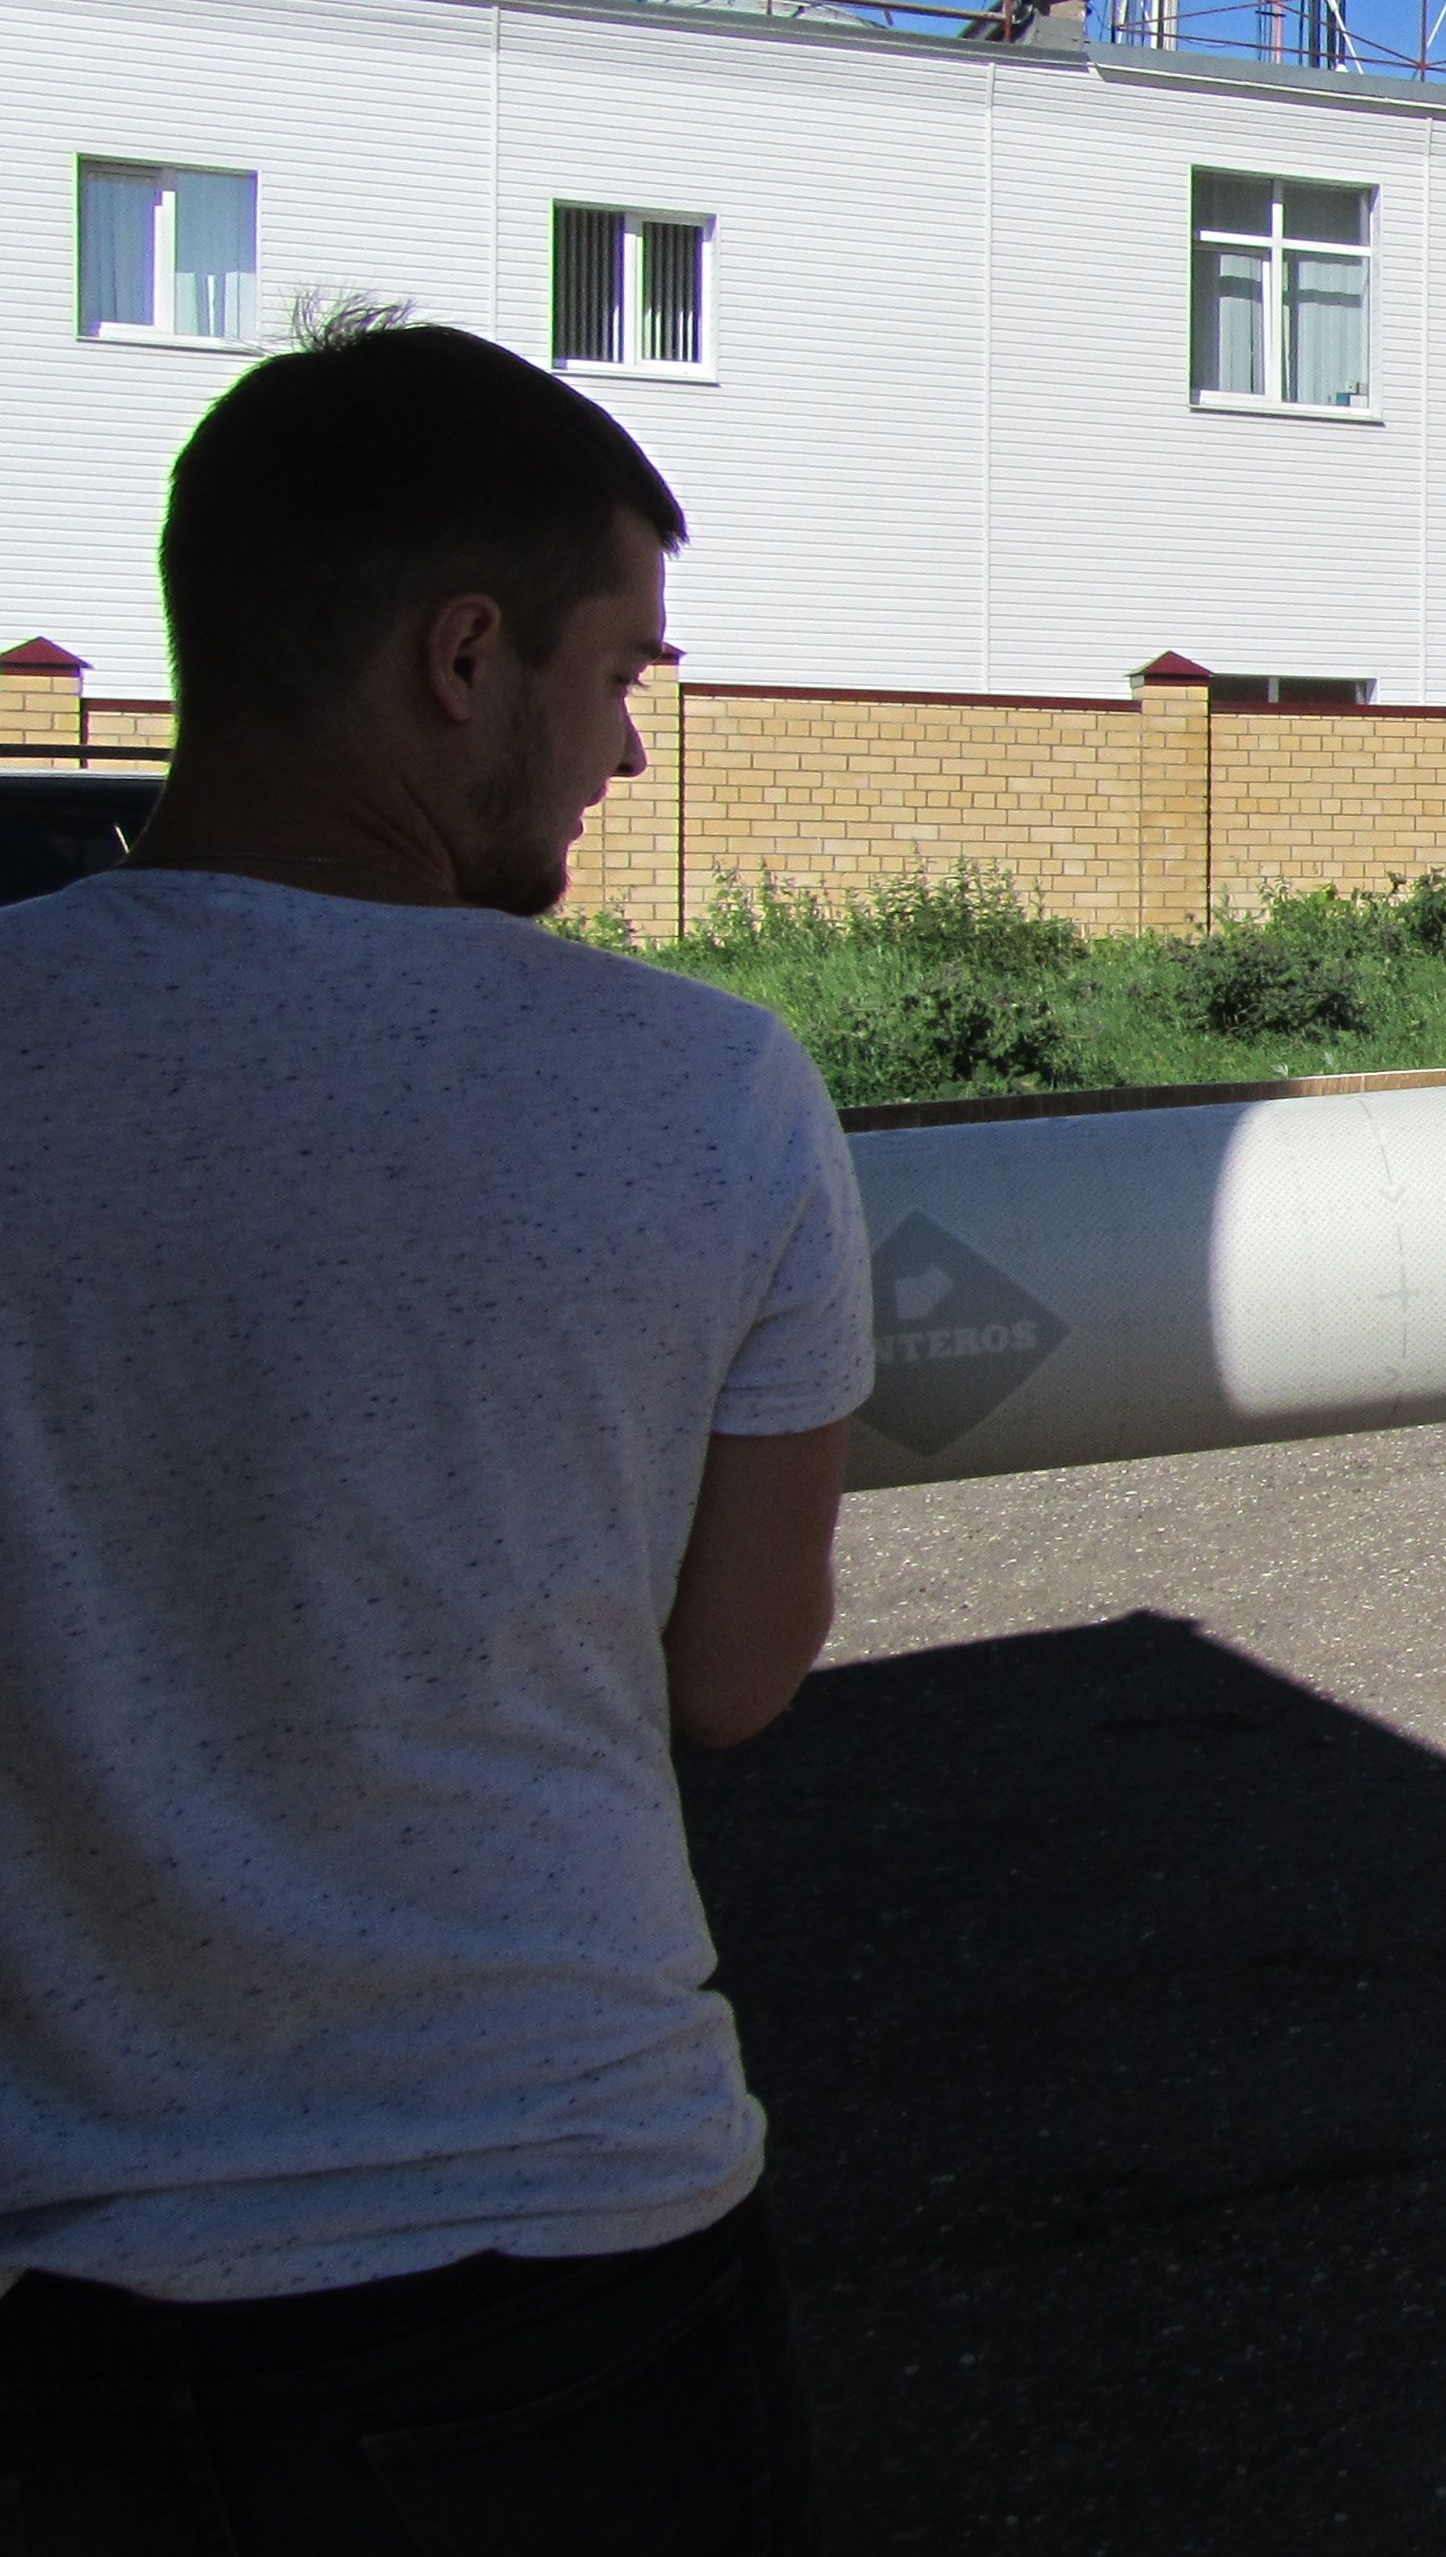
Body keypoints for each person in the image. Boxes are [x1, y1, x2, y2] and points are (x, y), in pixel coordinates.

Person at [0, 310, 870, 2549]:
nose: (630, 749)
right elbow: (733, 1673)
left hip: (53, 2305)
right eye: (622, 672)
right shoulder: (704, 1091)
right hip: (558, 2260)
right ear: (464, 658)